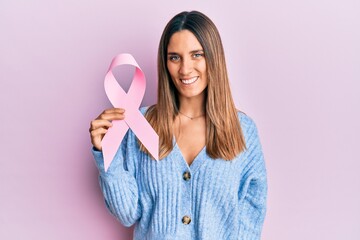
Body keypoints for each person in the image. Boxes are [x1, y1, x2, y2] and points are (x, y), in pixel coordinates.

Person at [89, 10, 267, 240]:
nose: (185, 69)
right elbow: (127, 213)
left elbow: (251, 219)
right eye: (175, 57)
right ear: (165, 63)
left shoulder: (243, 132)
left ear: (213, 58)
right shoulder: (142, 126)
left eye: (197, 55)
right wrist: (108, 154)